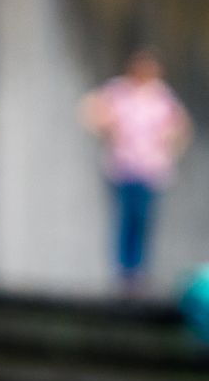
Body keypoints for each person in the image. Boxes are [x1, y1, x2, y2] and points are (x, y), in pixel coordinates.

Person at [79, 49, 191, 295]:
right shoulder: (118, 92)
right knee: (126, 218)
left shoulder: (161, 96)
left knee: (143, 220)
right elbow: (91, 112)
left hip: (151, 168)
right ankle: (125, 272)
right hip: (123, 166)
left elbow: (180, 126)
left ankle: (138, 270)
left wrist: (170, 143)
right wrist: (108, 127)